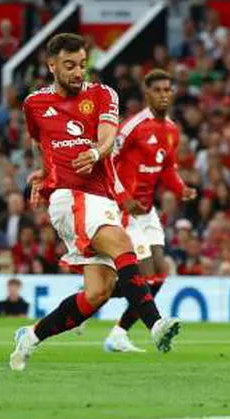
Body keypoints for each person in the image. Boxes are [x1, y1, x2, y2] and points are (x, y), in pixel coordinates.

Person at [10, 33, 181, 371]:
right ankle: (156, 324)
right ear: (52, 66)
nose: (78, 72)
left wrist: (95, 152)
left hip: (102, 197)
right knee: (122, 244)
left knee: (98, 293)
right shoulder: (34, 104)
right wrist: (43, 171)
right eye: (69, 66)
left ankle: (30, 336)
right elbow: (37, 140)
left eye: (82, 65)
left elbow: (108, 136)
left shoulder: (103, 94)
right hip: (69, 196)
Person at [102, 69, 197, 352]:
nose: (163, 95)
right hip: (125, 210)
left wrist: (181, 189)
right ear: (147, 94)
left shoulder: (171, 130)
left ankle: (117, 330)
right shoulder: (132, 127)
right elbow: (107, 163)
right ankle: (104, 301)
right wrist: (124, 197)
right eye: (157, 90)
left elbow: (167, 167)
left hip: (147, 211)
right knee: (144, 274)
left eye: (167, 90)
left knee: (160, 272)